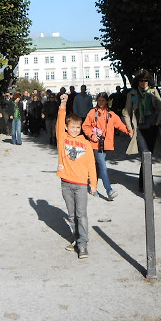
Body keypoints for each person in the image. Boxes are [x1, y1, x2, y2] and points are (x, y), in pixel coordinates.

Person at [55, 93, 97, 259]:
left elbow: (90, 165)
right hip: (66, 183)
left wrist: (92, 183)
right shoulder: (62, 138)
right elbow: (59, 121)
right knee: (71, 215)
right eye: (72, 127)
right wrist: (63, 105)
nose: (74, 130)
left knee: (81, 214)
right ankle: (76, 237)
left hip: (80, 184)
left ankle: (83, 244)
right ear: (67, 127)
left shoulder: (85, 143)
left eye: (77, 128)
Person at [82, 92, 132, 201]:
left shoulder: (111, 114)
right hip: (95, 143)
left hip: (106, 144)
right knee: (103, 166)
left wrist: (130, 132)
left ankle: (92, 187)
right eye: (99, 100)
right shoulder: (92, 112)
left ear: (107, 101)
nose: (101, 102)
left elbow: (120, 125)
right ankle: (109, 190)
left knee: (97, 166)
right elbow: (85, 126)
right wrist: (92, 135)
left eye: (103, 100)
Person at [123, 69, 161, 192]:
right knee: (145, 154)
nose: (144, 83)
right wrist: (130, 129)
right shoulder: (132, 94)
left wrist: (158, 121)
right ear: (137, 81)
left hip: (152, 128)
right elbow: (127, 113)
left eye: (146, 80)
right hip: (139, 129)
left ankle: (142, 184)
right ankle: (149, 187)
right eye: (141, 80)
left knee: (147, 157)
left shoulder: (153, 92)